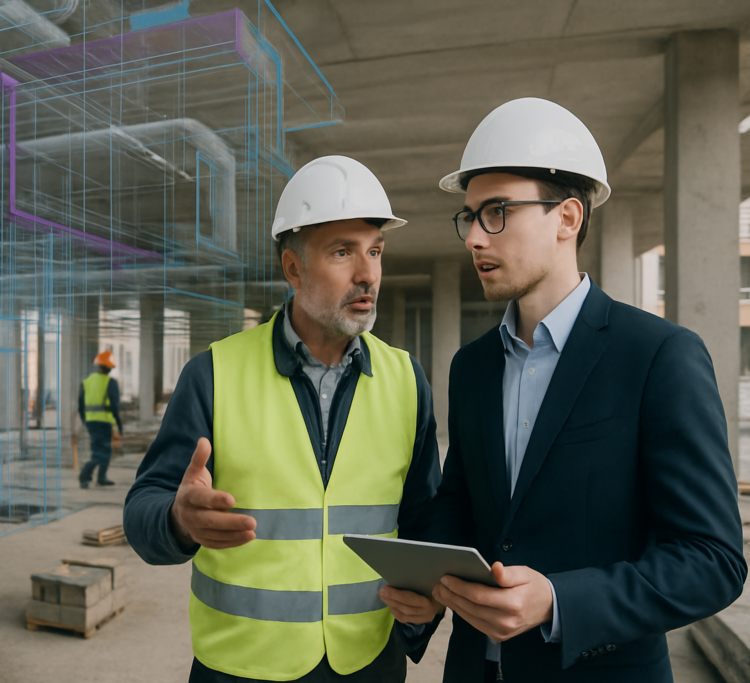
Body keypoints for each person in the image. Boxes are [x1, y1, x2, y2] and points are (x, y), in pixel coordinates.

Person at [380, 97, 747, 682]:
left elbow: (713, 560)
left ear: (568, 218)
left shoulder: (657, 356)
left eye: (496, 212)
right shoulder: (472, 366)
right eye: (470, 217)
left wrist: (559, 600)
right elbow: (460, 505)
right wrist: (427, 589)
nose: (474, 236)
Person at [124, 155, 443, 682]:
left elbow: (427, 520)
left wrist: (430, 599)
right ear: (293, 268)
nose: (367, 274)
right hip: (240, 668)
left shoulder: (406, 380)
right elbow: (143, 511)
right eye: (343, 252)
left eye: (375, 252)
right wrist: (179, 520)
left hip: (367, 665)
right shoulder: (214, 374)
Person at [78, 350, 124, 489]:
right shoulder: (110, 382)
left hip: (91, 421)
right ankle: (85, 475)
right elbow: (115, 406)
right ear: (109, 368)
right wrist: (119, 425)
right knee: (102, 452)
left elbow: (80, 405)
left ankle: (101, 477)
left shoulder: (87, 382)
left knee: (100, 450)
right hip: (104, 422)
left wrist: (85, 420)